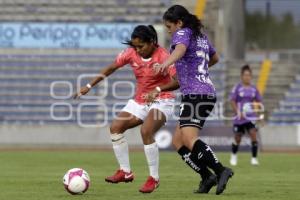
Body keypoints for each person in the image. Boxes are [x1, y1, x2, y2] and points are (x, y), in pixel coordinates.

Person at [74, 25, 178, 193]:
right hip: (140, 101)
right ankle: (125, 172)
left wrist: (157, 90)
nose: (137, 50)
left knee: (146, 131)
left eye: (141, 46)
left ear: (152, 42)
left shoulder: (164, 56)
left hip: (162, 100)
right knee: (115, 127)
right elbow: (111, 68)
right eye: (135, 46)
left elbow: (177, 81)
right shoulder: (131, 53)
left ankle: (154, 178)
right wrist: (88, 85)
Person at [147, 5, 233, 195]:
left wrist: (165, 63)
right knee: (178, 141)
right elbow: (215, 57)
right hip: (205, 92)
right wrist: (198, 69)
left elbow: (180, 49)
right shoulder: (201, 36)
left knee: (189, 138)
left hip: (196, 94)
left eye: (169, 27)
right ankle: (206, 176)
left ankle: (220, 170)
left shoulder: (183, 33)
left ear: (179, 23)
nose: (169, 32)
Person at [229, 65, 263, 166]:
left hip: (250, 117)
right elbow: (232, 101)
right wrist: (238, 111)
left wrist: (260, 116)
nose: (247, 77)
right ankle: (234, 156)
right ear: (242, 76)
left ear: (251, 76)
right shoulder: (237, 88)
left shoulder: (254, 89)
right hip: (239, 118)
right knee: (238, 138)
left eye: (249, 75)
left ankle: (254, 158)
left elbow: (259, 102)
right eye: (245, 75)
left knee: (253, 135)